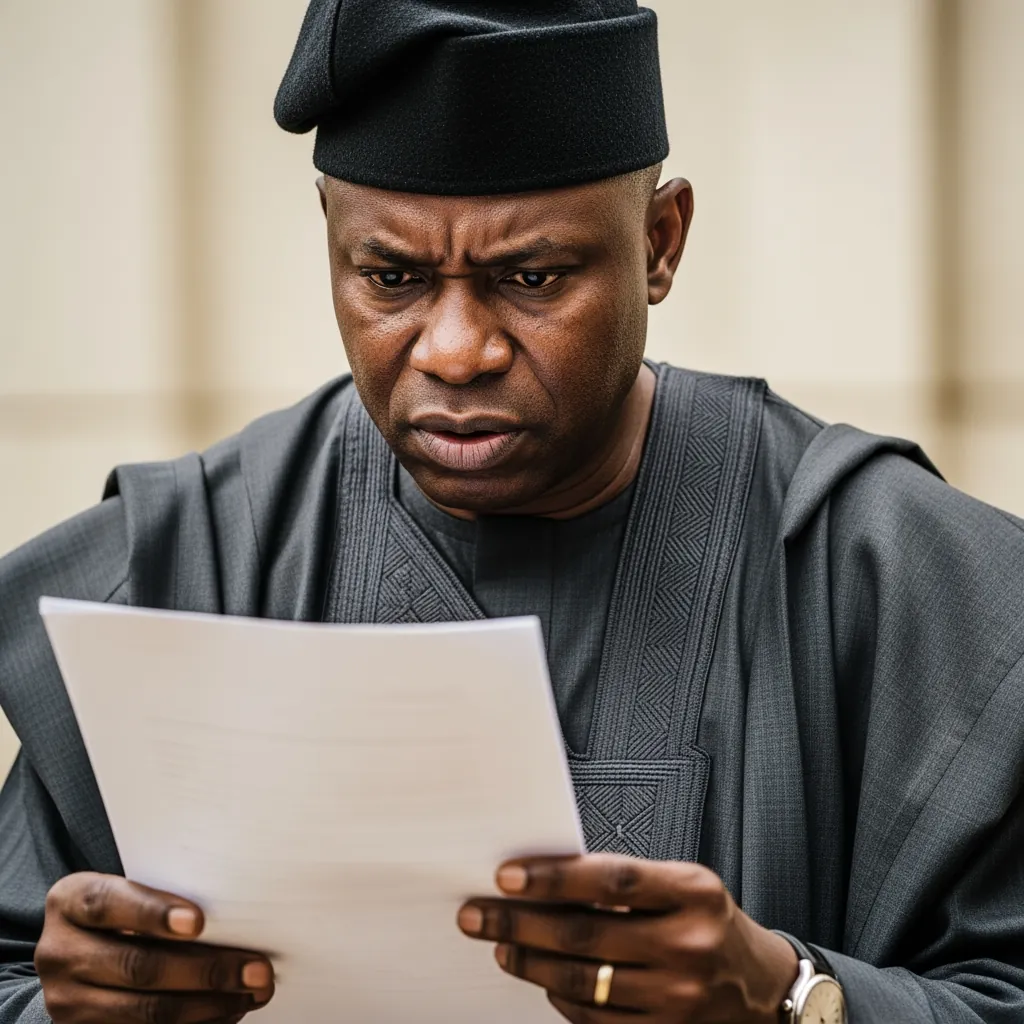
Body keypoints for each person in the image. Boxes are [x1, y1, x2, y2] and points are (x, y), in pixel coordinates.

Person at [1, 1, 1023, 1021]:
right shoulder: (194, 563)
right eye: (390, 278)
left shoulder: (895, 581)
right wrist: (76, 1004)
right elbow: (21, 968)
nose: (453, 348)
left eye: (531, 277)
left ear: (659, 243)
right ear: (331, 240)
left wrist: (792, 996)